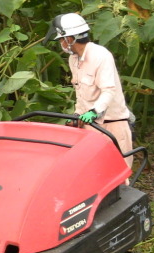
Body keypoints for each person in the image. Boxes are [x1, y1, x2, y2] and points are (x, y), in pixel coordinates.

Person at [48, 13, 134, 169]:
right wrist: (77, 114)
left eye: (61, 39)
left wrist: (94, 112)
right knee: (90, 171)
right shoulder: (73, 59)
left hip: (112, 125)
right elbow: (80, 92)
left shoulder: (101, 55)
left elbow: (108, 90)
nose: (60, 43)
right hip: (89, 126)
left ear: (69, 39)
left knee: (116, 174)